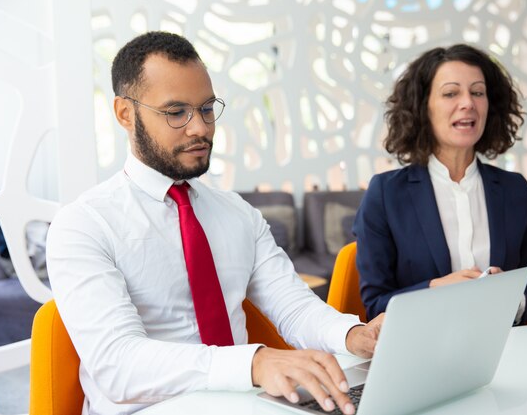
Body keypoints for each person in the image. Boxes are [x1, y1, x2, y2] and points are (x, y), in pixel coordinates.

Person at [46, 31, 383, 415]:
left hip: (246, 405)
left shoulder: (236, 213)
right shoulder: (84, 224)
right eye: (176, 112)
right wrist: (253, 363)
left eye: (206, 109)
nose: (200, 128)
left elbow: (293, 307)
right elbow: (119, 365)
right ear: (125, 113)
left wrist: (354, 334)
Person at [353, 43, 527, 324]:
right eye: (451, 93)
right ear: (423, 107)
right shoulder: (386, 194)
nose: (468, 103)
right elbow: (375, 305)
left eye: (478, 92)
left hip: (503, 349)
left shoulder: (516, 191)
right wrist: (434, 290)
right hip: (420, 353)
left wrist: (511, 298)